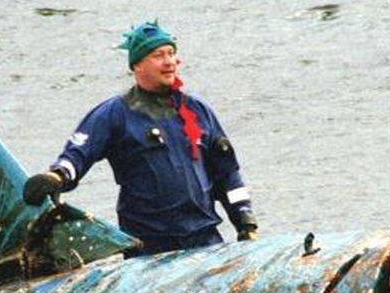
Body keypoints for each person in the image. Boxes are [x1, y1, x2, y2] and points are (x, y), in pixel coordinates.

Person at [23, 20, 257, 257]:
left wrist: (245, 221)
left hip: (206, 240)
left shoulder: (197, 110)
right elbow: (77, 155)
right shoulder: (115, 113)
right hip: (149, 250)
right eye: (158, 55)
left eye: (172, 53)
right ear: (137, 65)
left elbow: (227, 173)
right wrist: (56, 177)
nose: (169, 62)